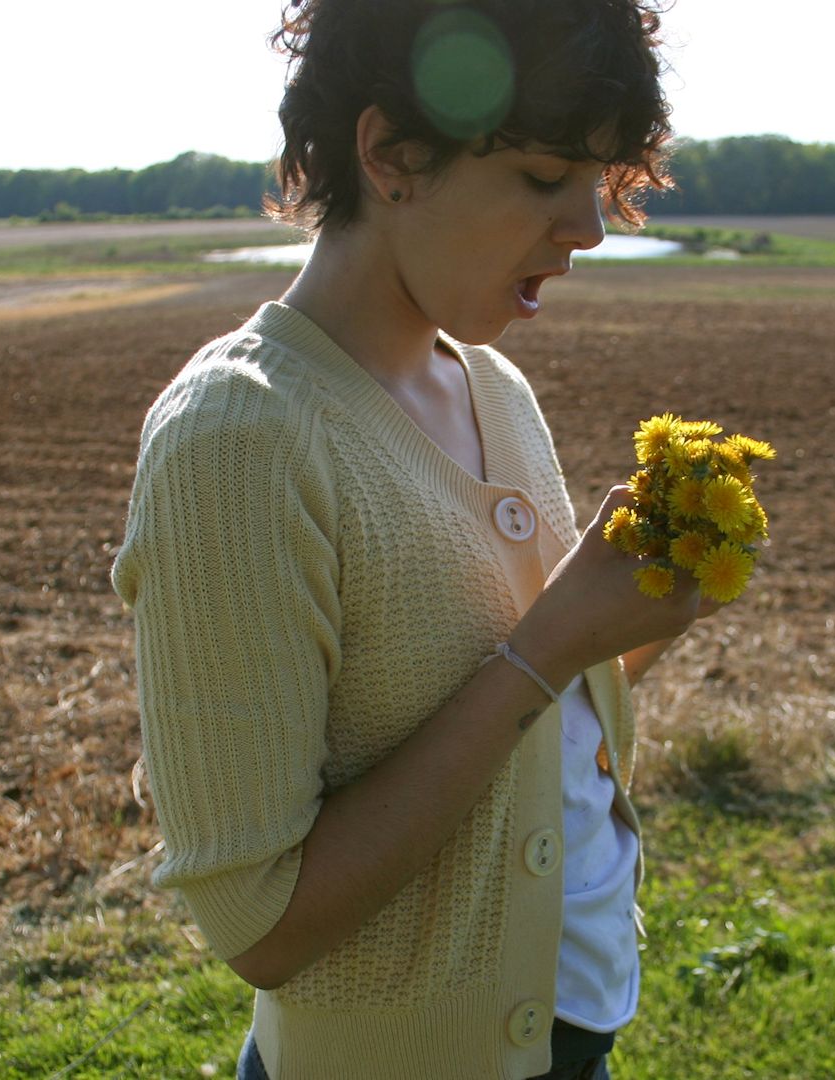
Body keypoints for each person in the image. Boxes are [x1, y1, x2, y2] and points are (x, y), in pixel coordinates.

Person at [111, 2, 707, 1076]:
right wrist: (546, 649)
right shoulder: (240, 439)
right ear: (391, 154)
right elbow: (264, 923)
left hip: (571, 1043)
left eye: (602, 180)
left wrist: (642, 615)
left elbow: (533, 716)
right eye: (542, 179)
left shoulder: (493, 385)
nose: (592, 226)